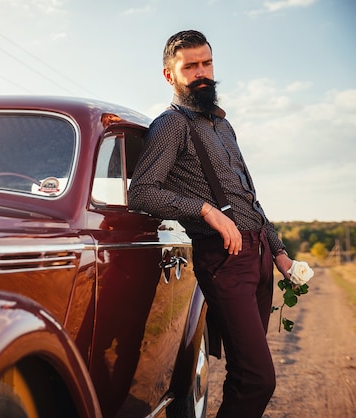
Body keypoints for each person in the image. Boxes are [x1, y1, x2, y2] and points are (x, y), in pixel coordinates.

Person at [128, 30, 293, 417]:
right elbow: (142, 192)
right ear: (170, 75)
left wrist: (280, 252)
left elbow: (248, 198)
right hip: (224, 258)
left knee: (244, 372)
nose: (202, 73)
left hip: (258, 255)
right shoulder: (170, 125)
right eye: (190, 66)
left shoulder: (223, 126)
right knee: (258, 379)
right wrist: (205, 210)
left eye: (207, 63)